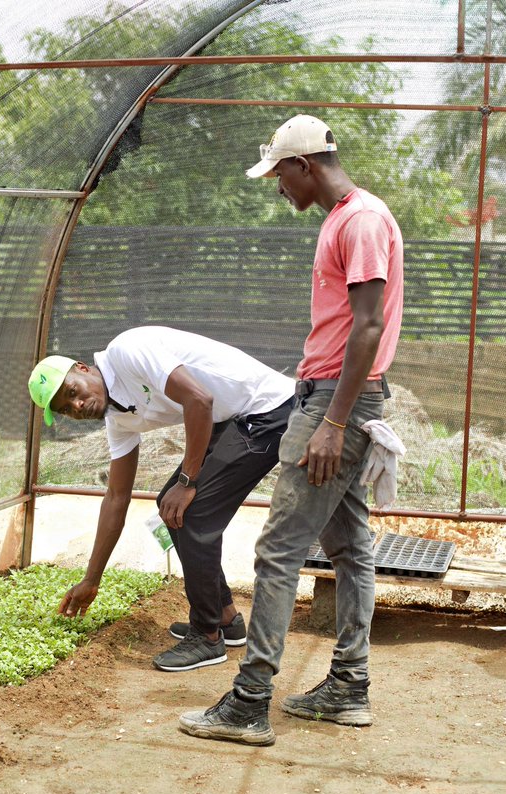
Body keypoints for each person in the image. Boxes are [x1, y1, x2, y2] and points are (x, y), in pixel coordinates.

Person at [179, 114, 403, 746]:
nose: (278, 186)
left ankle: (249, 701)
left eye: (279, 173)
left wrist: (332, 422)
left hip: (336, 403)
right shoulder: (351, 217)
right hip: (338, 397)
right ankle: (349, 686)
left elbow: (367, 325)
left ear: (304, 165)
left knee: (277, 551)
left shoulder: (357, 221)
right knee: (350, 547)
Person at [27, 326, 295, 672]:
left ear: (82, 368)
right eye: (66, 408)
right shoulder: (119, 419)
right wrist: (91, 579)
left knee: (192, 511)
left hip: (269, 410)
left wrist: (187, 480)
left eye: (72, 392)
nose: (77, 405)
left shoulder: (126, 351)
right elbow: (116, 497)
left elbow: (199, 400)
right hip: (233, 418)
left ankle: (206, 635)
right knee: (168, 506)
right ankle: (224, 617)